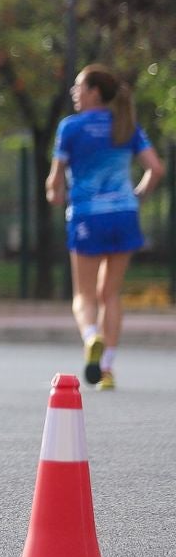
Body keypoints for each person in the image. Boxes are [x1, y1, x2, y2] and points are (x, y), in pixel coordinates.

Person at [46, 65, 164, 390]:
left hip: (87, 216)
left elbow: (55, 184)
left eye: (78, 86)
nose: (74, 92)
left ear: (94, 92)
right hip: (124, 214)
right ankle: (107, 368)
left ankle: (91, 337)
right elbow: (155, 168)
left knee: (84, 296)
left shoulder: (70, 127)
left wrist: (55, 193)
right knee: (110, 293)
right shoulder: (127, 125)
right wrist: (136, 194)